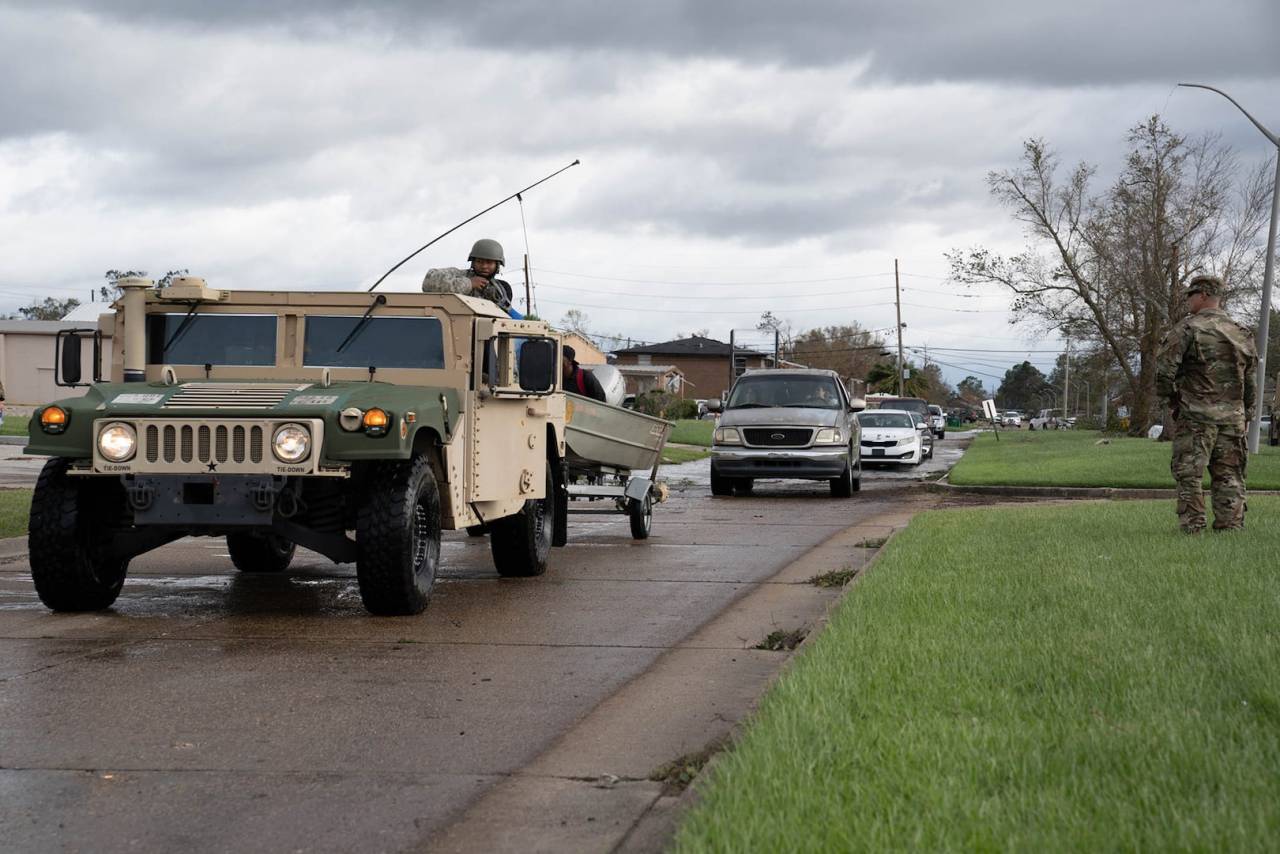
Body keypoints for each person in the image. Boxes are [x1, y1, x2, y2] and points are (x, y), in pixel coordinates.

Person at [1155, 274, 1258, 533]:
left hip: (1196, 417)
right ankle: (1230, 526)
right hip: (1232, 418)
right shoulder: (1241, 332)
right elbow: (1250, 381)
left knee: (1190, 474)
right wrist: (1247, 415)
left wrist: (1173, 400)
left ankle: (1193, 526)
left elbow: (1164, 372)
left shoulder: (1189, 329)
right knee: (1230, 475)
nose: (1188, 300)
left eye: (1190, 295)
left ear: (1203, 295)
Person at [422, 238, 523, 318]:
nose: (484, 266)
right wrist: (469, 283)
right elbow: (429, 281)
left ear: (497, 265)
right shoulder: (459, 275)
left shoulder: (502, 290)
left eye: (489, 262)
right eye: (479, 261)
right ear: (473, 262)